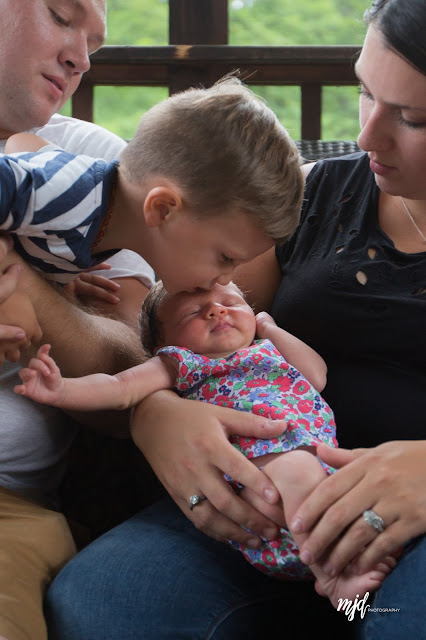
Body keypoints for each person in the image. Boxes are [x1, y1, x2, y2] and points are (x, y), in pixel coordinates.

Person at [44, 1, 426, 639]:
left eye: (413, 117)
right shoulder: (315, 197)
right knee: (109, 600)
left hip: (410, 531)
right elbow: (180, 319)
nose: (367, 138)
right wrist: (154, 414)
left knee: (399, 623)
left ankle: (351, 606)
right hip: (247, 505)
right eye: (365, 91)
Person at [16, 281, 390, 609]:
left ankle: (336, 561)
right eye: (195, 313)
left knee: (312, 494)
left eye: (232, 303)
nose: (217, 310)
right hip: (253, 465)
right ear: (162, 342)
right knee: (297, 478)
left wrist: (268, 326)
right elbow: (119, 388)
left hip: (300, 474)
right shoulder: (182, 363)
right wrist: (63, 390)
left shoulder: (268, 349)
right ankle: (334, 574)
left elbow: (317, 375)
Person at [0, 1, 156, 639]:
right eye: (62, 15)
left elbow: (131, 365)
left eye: (93, 41)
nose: (81, 58)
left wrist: (24, 284)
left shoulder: (95, 168)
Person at [0, 75, 303, 293]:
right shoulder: (72, 195)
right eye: (225, 259)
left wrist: (50, 267)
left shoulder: (94, 217)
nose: (226, 280)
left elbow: (23, 144)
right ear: (162, 209)